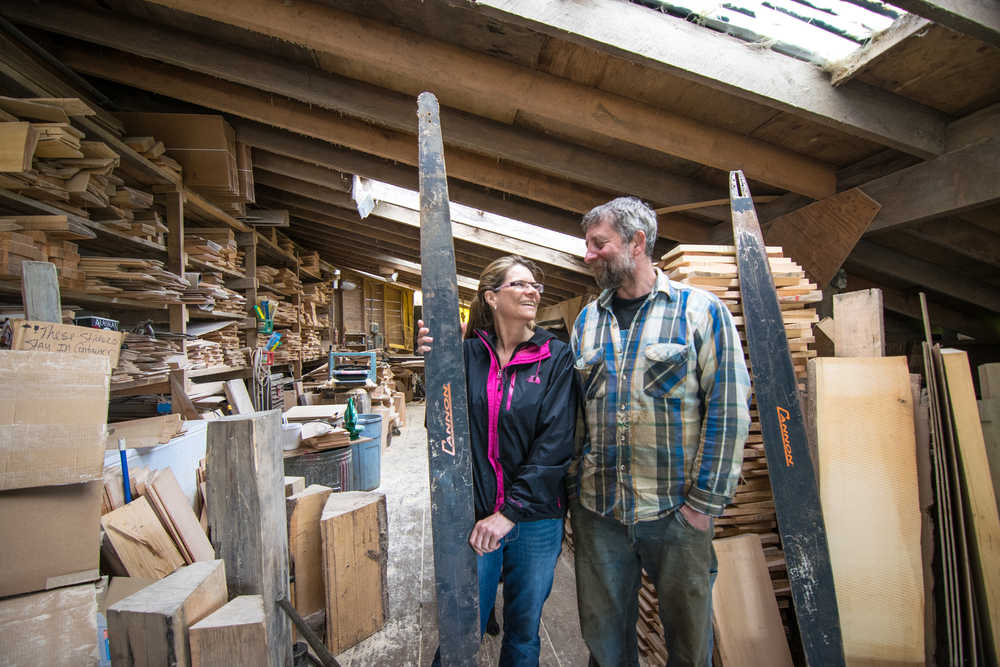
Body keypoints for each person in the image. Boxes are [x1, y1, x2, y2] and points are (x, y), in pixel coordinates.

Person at [569, 197, 751, 666]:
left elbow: (728, 411)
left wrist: (703, 506)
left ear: (636, 242)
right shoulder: (587, 321)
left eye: (598, 244)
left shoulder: (700, 312)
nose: (588, 255)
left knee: (689, 647)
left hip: (675, 512)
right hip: (600, 512)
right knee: (606, 646)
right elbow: (576, 419)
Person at [418, 255, 579, 666]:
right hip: (474, 517)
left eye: (535, 286)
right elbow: (442, 426)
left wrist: (510, 512)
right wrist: (434, 361)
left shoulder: (555, 357)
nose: (533, 291)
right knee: (461, 627)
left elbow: (556, 443)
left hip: (536, 518)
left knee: (524, 631)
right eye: (520, 284)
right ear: (491, 297)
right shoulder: (466, 354)